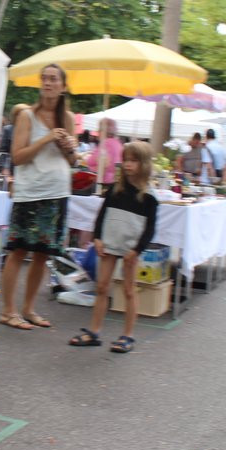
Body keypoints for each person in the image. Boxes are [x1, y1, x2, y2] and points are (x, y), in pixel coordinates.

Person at [0, 65, 77, 331]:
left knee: (43, 254)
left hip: (58, 192)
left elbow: (72, 160)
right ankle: (8, 310)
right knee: (19, 250)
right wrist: (46, 139)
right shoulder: (27, 116)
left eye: (53, 79)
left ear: (63, 86)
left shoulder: (67, 118)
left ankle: (29, 309)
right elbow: (18, 157)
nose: (47, 83)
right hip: (31, 192)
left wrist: (69, 149)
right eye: (44, 79)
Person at [68, 141, 158, 354]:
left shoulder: (149, 197)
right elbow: (101, 215)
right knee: (101, 286)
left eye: (133, 161)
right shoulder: (114, 190)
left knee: (128, 290)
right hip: (109, 243)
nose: (128, 165)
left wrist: (137, 251)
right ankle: (95, 330)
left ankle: (128, 335)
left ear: (143, 164)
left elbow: (151, 229)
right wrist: (97, 238)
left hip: (129, 249)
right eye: (126, 159)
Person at [85, 117, 123, 192]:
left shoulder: (105, 144)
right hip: (114, 183)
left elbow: (98, 162)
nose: (97, 132)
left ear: (103, 131)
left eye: (99, 129)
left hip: (103, 185)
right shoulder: (118, 144)